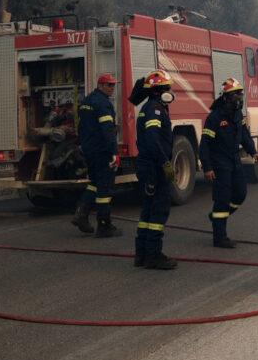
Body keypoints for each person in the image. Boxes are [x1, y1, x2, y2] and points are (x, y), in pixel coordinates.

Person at [200, 77, 258, 248]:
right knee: (222, 198)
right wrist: (207, 167)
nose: (238, 98)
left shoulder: (237, 115)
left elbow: (245, 136)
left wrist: (253, 151)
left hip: (234, 160)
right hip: (220, 163)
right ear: (226, 97)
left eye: (240, 95)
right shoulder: (214, 118)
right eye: (235, 95)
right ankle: (220, 237)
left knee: (240, 193)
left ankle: (218, 216)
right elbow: (204, 144)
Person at [133, 70, 179, 270]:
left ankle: (141, 255)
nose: (170, 91)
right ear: (160, 91)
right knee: (158, 211)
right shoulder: (155, 109)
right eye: (167, 88)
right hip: (154, 167)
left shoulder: (149, 107)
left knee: (147, 212)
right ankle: (153, 256)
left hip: (147, 165)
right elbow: (152, 137)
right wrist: (165, 162)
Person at [72, 72, 123, 238]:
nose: (112, 88)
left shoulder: (87, 100)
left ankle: (81, 214)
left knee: (94, 183)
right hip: (102, 151)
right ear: (100, 85)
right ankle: (104, 225)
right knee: (105, 188)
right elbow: (108, 130)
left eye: (114, 85)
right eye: (109, 85)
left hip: (89, 150)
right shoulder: (102, 103)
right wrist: (114, 151)